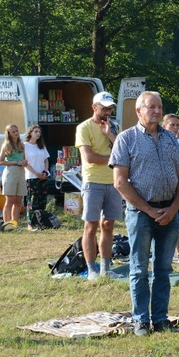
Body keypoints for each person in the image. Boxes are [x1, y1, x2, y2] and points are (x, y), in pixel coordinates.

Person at [111, 91, 179, 335]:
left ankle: (161, 319)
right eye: (151, 107)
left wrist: (173, 208)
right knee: (140, 269)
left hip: (169, 211)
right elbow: (120, 182)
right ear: (138, 111)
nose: (157, 111)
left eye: (160, 106)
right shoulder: (126, 139)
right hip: (141, 213)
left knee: (164, 269)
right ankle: (141, 320)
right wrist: (150, 210)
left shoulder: (171, 139)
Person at [75, 91, 120, 280]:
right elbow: (89, 157)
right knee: (91, 226)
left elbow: (123, 150)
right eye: (104, 108)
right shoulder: (84, 127)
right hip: (93, 181)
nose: (108, 111)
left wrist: (109, 134)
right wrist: (112, 159)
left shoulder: (114, 127)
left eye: (110, 108)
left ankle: (105, 268)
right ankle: (91, 269)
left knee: (108, 225)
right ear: (94, 107)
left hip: (114, 182)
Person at [0, 124, 27, 227]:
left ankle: (15, 224)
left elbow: (24, 159)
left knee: (18, 200)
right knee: (10, 199)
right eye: (13, 132)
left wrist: (24, 162)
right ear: (8, 134)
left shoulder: (21, 145)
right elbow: (0, 162)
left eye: (16, 131)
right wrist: (15, 162)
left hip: (21, 171)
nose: (16, 133)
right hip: (11, 171)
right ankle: (7, 224)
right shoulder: (6, 145)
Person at [23, 125, 50, 230]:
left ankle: (40, 221)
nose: (38, 134)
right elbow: (25, 163)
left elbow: (46, 160)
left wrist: (45, 172)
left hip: (42, 176)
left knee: (42, 200)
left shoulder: (41, 146)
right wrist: (36, 173)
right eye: (36, 131)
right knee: (32, 201)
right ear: (30, 133)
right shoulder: (25, 146)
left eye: (39, 132)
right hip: (31, 176)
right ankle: (30, 223)